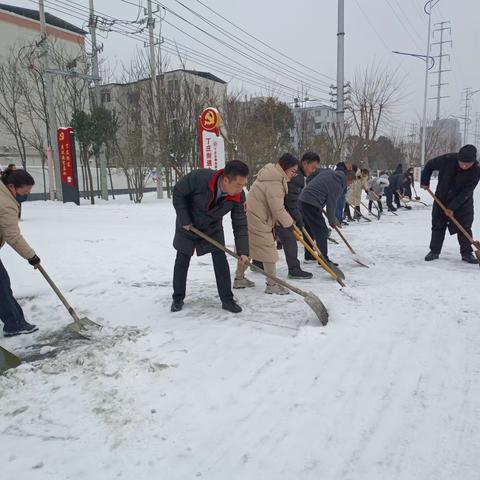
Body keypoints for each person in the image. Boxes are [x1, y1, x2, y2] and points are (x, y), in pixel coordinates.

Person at [171, 160, 251, 313]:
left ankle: (227, 300)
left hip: (212, 228)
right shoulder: (200, 178)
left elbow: (240, 224)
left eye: (243, 185)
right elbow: (178, 193)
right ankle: (177, 298)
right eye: (239, 185)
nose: (241, 189)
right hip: (188, 224)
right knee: (182, 259)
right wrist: (185, 220)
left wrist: (243, 252)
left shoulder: (239, 196)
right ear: (226, 180)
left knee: (220, 260)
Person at [245, 153, 298, 294]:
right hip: (258, 219)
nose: (294, 174)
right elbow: (278, 208)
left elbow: (274, 207)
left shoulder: (272, 176)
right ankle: (272, 285)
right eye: (292, 171)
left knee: (247, 250)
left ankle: (239, 278)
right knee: (269, 251)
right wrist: (290, 223)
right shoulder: (275, 182)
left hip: (255, 216)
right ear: (285, 168)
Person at [421, 144, 480, 264]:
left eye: (467, 164)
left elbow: (467, 191)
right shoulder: (447, 159)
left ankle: (467, 253)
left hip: (463, 202)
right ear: (458, 158)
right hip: (441, 198)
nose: (464, 165)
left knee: (464, 227)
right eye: (461, 162)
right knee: (438, 225)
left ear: (473, 162)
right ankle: (434, 251)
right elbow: (429, 166)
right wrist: (424, 180)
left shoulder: (476, 170)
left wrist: (452, 207)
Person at [0, 167, 40, 337]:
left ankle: (14, 322)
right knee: (1, 287)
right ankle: (14, 323)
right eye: (25, 191)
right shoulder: (6, 204)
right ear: (12, 187)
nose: (26, 195)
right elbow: (13, 237)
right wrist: (32, 256)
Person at [275, 151, 320, 279]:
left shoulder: (297, 175)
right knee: (289, 237)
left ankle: (258, 262)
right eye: (313, 167)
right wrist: (299, 220)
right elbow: (291, 202)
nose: (313, 171)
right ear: (305, 163)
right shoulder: (297, 177)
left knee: (269, 236)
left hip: (274, 209)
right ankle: (294, 269)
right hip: (279, 210)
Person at [299, 166, 346, 265]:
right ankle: (324, 259)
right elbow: (331, 204)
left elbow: (311, 176)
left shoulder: (327, 172)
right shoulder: (337, 185)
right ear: (348, 180)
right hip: (312, 203)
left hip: (303, 199)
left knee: (309, 229)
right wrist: (332, 222)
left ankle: (309, 256)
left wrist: (310, 188)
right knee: (322, 231)